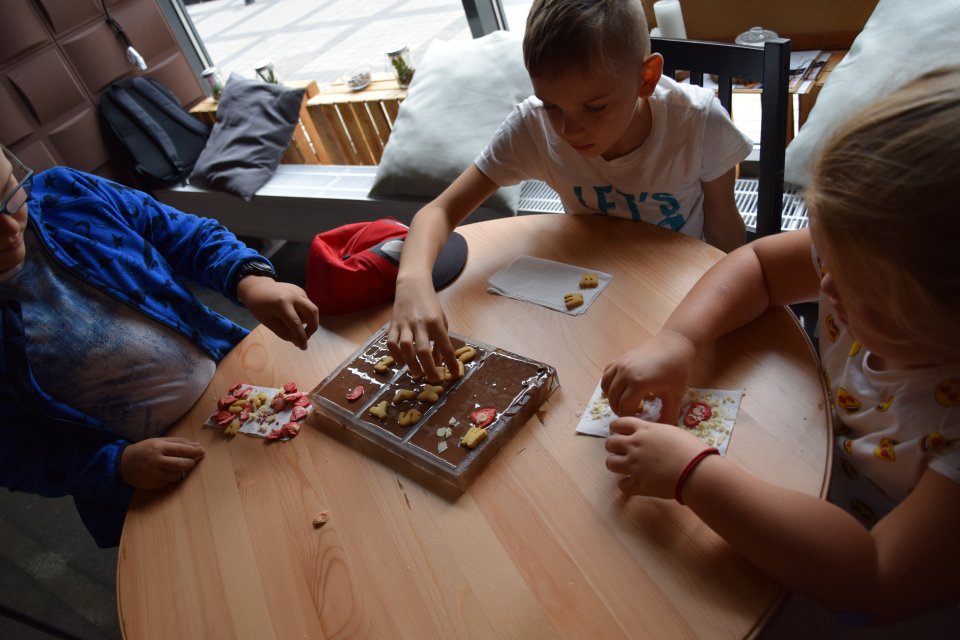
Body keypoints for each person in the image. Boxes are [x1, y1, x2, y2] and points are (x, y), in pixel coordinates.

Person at [601, 65, 960, 624]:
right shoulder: (865, 258)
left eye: (855, 287)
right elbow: (761, 266)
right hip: (813, 471)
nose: (825, 284)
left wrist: (694, 474)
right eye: (825, 257)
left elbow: (873, 576)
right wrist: (679, 340)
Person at [389, 0, 752, 381]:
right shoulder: (533, 127)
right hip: (593, 294)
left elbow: (725, 234)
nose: (567, 130)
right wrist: (412, 282)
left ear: (645, 79)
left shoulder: (698, 123)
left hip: (678, 294)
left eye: (594, 108)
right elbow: (439, 211)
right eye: (551, 106)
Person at [0, 146, 320, 547]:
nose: (9, 227)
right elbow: (12, 453)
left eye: (9, 190)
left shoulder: (68, 191)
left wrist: (251, 281)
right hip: (152, 471)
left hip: (231, 378)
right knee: (232, 551)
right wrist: (114, 466)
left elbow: (186, 234)